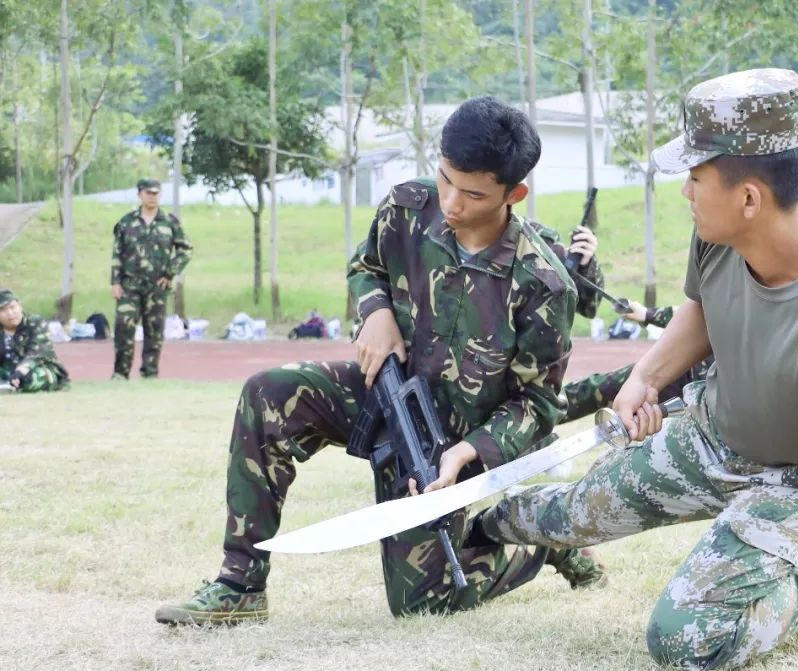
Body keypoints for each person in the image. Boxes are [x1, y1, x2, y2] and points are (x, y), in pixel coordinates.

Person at [464, 69, 798, 671]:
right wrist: (647, 377)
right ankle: (470, 526)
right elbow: (704, 306)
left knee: (688, 638)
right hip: (713, 434)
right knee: (571, 516)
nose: (685, 190)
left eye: (695, 176)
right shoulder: (722, 232)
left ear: (749, 197)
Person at [154, 96, 604, 626]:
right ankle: (240, 585)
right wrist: (375, 313)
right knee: (268, 394)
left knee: (422, 603)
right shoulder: (407, 207)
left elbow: (538, 403)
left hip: (446, 445)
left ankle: (543, 546)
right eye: (446, 179)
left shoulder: (544, 284)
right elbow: (366, 267)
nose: (452, 202)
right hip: (383, 391)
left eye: (474, 193)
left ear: (515, 193)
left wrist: (467, 453)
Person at [562, 300, 711, 423]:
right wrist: (648, 314)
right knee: (605, 388)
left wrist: (648, 314)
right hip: (690, 367)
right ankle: (551, 409)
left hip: (712, 391)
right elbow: (702, 311)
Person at [110, 178, 193, 380]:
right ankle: (120, 373)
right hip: (129, 285)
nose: (152, 197)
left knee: (154, 331)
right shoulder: (126, 222)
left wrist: (170, 272)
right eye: (148, 193)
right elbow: (117, 253)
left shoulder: (169, 222)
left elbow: (186, 249)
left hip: (157, 286)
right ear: (140, 194)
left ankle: (150, 373)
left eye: (155, 193)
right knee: (123, 327)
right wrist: (115, 282)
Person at [0, 289, 70, 393]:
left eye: (12, 307)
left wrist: (22, 370)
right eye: (3, 310)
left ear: (19, 305)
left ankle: (13, 385)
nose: (10, 313)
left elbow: (38, 351)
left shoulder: (35, 322)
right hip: (7, 370)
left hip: (37, 368)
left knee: (29, 379)